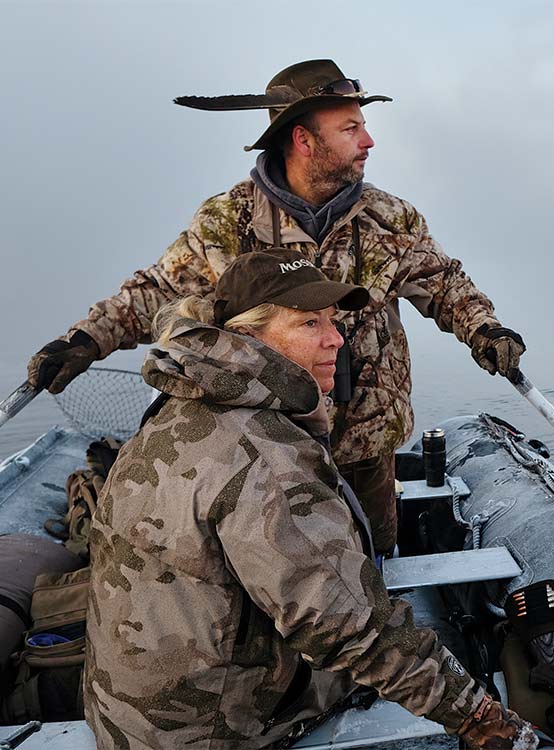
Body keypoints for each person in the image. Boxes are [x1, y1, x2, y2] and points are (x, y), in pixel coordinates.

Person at [27, 58, 526, 555]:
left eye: (364, 127)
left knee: (372, 560)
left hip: (366, 442)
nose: (368, 142)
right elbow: (157, 289)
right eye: (351, 128)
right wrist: (86, 340)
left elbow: (443, 284)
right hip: (262, 442)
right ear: (304, 140)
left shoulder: (391, 218)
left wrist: (487, 332)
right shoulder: (229, 219)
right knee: (283, 565)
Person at [84, 249, 537, 750]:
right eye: (308, 323)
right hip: (210, 732)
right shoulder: (268, 457)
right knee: (395, 645)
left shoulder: (180, 405)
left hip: (125, 714)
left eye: (333, 321)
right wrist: (480, 718)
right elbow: (349, 625)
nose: (336, 339)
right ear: (249, 337)